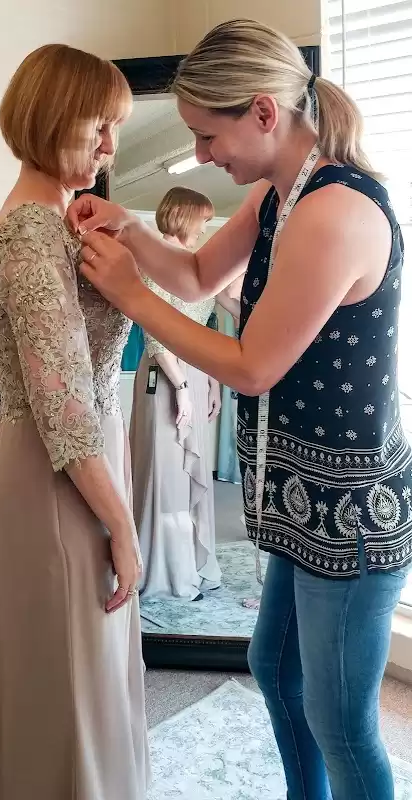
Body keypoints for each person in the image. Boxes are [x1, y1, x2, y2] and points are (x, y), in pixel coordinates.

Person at [69, 18, 412, 800]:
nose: (199, 155)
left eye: (205, 135)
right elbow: (194, 276)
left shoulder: (334, 213)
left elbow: (254, 366)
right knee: (276, 669)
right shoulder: (278, 194)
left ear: (262, 112)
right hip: (299, 498)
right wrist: (130, 230)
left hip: (349, 512)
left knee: (343, 721)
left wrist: (129, 294)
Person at [0, 45, 149, 800]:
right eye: (99, 127)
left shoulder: (52, 223)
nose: (111, 147)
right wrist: (123, 527)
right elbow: (63, 408)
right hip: (56, 476)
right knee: (64, 687)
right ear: (52, 120)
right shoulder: (33, 234)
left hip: (62, 466)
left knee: (66, 677)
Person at [132, 187, 229, 602]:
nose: (205, 228)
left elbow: (206, 324)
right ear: (185, 216)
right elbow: (155, 335)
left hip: (193, 372)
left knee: (191, 472)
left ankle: (191, 562)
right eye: (202, 220)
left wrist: (212, 381)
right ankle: (165, 570)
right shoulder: (156, 259)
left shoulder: (193, 263)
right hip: (166, 375)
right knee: (168, 472)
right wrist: (184, 388)